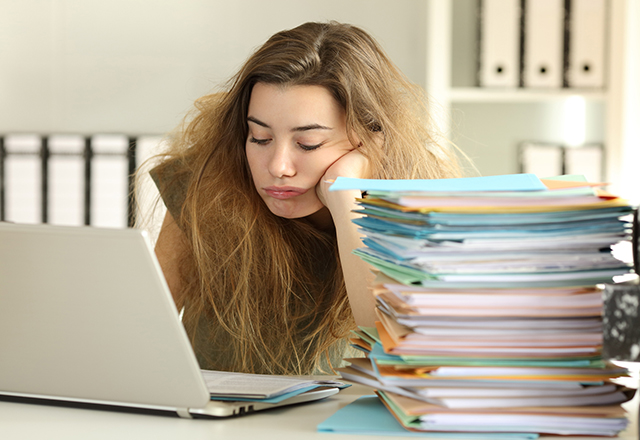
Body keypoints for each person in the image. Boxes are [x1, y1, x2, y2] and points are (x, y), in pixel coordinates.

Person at [146, 21, 463, 376]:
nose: (278, 167)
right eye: (260, 138)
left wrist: (346, 197)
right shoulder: (207, 182)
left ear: (370, 137)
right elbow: (141, 330)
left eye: (308, 144)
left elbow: (394, 333)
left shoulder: (421, 199)